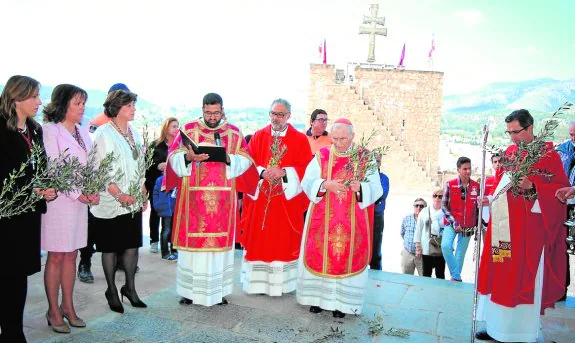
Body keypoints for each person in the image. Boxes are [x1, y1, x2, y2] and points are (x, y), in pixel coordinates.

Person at [476, 109, 570, 342]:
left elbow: (561, 193)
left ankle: (519, 333)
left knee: (521, 280)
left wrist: (535, 188)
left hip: (530, 233)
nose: (512, 138)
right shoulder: (509, 153)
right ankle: (495, 327)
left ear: (530, 127)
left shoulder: (549, 156)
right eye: (509, 133)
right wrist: (490, 198)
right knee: (500, 275)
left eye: (516, 132)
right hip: (503, 230)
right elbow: (502, 184)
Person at [165, 93, 253, 306]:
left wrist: (229, 158)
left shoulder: (233, 133)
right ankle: (189, 291)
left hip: (222, 202)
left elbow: (247, 160)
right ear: (202, 109)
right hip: (193, 201)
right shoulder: (188, 130)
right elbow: (172, 157)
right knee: (192, 250)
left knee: (218, 251)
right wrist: (188, 157)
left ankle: (217, 292)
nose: (212, 117)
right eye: (208, 112)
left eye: (216, 112)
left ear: (222, 109)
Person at [296, 118, 383, 317]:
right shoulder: (322, 155)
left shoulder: (364, 158)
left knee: (345, 258)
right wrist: (324, 184)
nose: (339, 142)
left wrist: (360, 187)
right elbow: (307, 181)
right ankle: (317, 300)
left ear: (352, 135)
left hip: (351, 220)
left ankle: (342, 305)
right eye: (335, 138)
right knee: (320, 254)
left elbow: (376, 188)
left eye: (343, 138)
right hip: (322, 219)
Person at [0, 75, 56, 342]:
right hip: (5, 215)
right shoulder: (1, 129)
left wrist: (46, 187)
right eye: (34, 96)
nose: (39, 102)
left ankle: (14, 330)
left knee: (18, 274)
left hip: (27, 216)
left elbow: (40, 167)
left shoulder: (34, 129)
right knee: (5, 273)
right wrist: (27, 190)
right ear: (16, 97)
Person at [41, 84, 100, 333]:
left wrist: (93, 188)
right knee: (56, 255)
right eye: (77, 103)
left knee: (72, 254)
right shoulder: (49, 131)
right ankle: (53, 310)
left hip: (78, 204)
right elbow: (54, 168)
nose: (82, 107)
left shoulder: (83, 131)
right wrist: (79, 193)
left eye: (83, 103)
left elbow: (93, 164)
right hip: (59, 203)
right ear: (63, 104)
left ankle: (68, 306)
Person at [240, 98, 312, 296]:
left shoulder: (299, 139)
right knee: (259, 241)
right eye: (273, 113)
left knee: (281, 241)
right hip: (261, 199)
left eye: (280, 114)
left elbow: (307, 170)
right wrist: (262, 172)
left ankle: (281, 286)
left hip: (284, 204)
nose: (276, 118)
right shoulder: (258, 136)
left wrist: (285, 172)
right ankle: (257, 285)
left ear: (288, 116)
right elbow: (249, 163)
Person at [90, 89, 148, 314]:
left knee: (132, 246)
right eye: (129, 106)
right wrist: (118, 195)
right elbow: (101, 170)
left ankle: (130, 288)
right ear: (117, 108)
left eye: (133, 105)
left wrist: (143, 191)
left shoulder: (135, 132)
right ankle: (112, 290)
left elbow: (140, 164)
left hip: (132, 199)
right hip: (112, 201)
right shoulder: (103, 133)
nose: (133, 109)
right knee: (111, 248)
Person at [78, 82, 131, 283]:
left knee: (118, 226)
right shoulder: (98, 124)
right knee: (92, 228)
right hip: (98, 186)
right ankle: (85, 263)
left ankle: (119, 260)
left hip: (119, 187)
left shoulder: (127, 126)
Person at [441, 156, 479, 282]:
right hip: (451, 223)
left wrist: (478, 226)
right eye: (465, 169)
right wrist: (454, 222)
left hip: (468, 224)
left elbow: (478, 209)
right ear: (458, 170)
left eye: (469, 169)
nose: (468, 171)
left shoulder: (476, 186)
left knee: (460, 254)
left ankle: (455, 278)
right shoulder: (450, 185)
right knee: (446, 246)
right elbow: (444, 206)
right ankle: (456, 275)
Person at [145, 117, 179, 254]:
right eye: (174, 126)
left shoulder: (180, 146)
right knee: (155, 211)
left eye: (178, 126)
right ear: (166, 128)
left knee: (172, 214)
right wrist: (158, 166)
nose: (177, 129)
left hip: (174, 187)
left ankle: (171, 242)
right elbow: (147, 165)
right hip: (156, 185)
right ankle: (154, 240)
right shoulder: (155, 145)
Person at [555, 121, 575, 301]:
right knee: (562, 246)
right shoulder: (562, 150)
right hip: (564, 203)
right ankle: (561, 288)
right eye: (571, 134)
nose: (573, 138)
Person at [414, 189, 446, 279]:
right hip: (426, 247)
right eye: (435, 196)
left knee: (440, 274)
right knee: (426, 274)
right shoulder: (425, 211)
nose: (437, 198)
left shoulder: (446, 212)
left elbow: (449, 230)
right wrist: (418, 247)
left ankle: (439, 292)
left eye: (440, 196)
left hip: (440, 247)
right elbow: (418, 230)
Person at [371, 152, 389, 270]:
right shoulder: (363, 177)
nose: (375, 163)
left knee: (376, 244)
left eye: (378, 161)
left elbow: (380, 195)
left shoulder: (383, 178)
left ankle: (376, 269)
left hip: (377, 215)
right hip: (363, 215)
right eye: (373, 161)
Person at [152, 175, 177, 261]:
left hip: (176, 210)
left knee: (175, 231)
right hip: (166, 209)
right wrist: (157, 205)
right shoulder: (161, 179)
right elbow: (155, 193)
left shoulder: (179, 177)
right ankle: (165, 253)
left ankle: (174, 250)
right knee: (166, 231)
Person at [400, 198, 425, 276]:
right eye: (416, 205)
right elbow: (402, 233)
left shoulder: (428, 220)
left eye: (421, 206)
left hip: (422, 256)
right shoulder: (406, 218)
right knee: (406, 279)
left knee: (424, 280)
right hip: (408, 253)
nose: (418, 208)